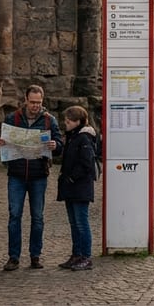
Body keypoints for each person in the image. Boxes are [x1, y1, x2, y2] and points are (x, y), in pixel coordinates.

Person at [0, 84, 63, 271]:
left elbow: (60, 145)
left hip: (38, 175)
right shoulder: (12, 118)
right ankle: (13, 257)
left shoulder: (49, 120)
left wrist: (55, 145)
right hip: (16, 174)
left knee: (37, 217)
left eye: (39, 103)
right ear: (25, 100)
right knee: (14, 216)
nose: (35, 106)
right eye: (32, 102)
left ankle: (35, 255)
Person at [56, 105, 97, 271]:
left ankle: (85, 256)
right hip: (71, 187)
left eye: (68, 121)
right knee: (74, 223)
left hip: (79, 187)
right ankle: (77, 253)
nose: (66, 124)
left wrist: (72, 177)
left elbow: (86, 163)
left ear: (77, 121)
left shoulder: (84, 138)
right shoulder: (74, 137)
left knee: (81, 223)